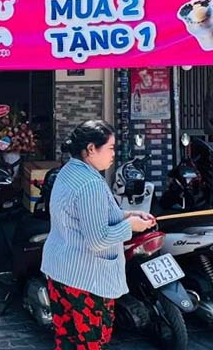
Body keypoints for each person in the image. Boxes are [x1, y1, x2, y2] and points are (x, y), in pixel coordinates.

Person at [41, 120, 156, 350]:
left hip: (60, 270)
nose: (114, 154)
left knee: (66, 339)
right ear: (91, 149)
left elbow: (91, 214)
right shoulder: (90, 184)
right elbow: (98, 240)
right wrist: (130, 226)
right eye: (111, 148)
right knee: (92, 343)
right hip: (86, 279)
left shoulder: (68, 171)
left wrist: (128, 215)